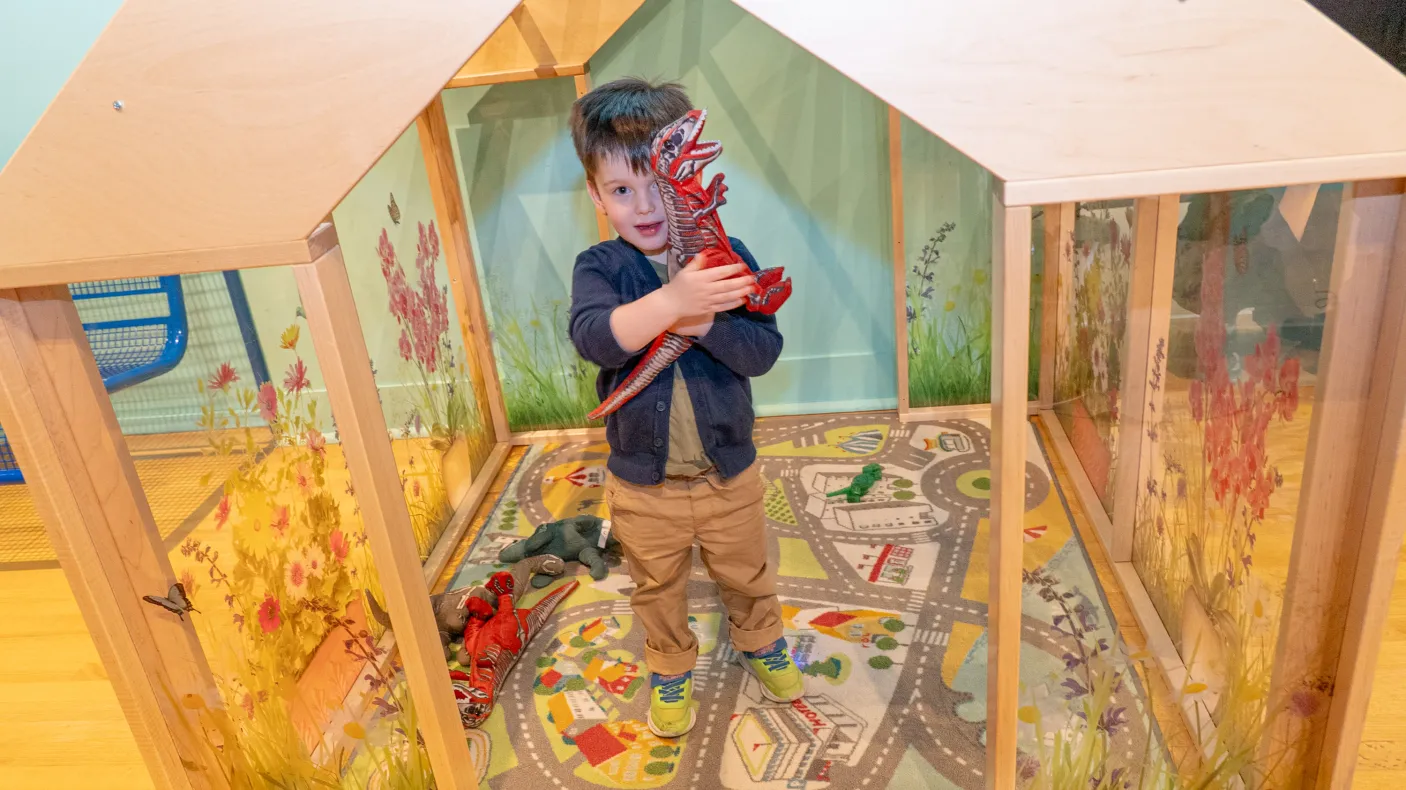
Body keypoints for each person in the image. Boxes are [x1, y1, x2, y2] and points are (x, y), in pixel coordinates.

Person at [566, 77, 804, 738]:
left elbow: (760, 352)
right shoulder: (602, 267)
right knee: (656, 584)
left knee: (748, 570)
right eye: (621, 190)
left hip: (729, 472)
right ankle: (670, 663)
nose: (643, 207)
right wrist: (671, 304)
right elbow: (593, 337)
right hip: (644, 485)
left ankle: (760, 639)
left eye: (657, 187)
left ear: (687, 182)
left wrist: (704, 325)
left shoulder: (723, 257)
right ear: (596, 195)